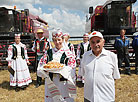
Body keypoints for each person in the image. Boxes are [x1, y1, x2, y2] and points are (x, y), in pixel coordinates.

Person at [37, 29, 76, 102]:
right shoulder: (48, 52)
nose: (57, 42)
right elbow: (42, 65)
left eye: (59, 40)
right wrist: (44, 70)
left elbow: (72, 68)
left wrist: (63, 70)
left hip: (63, 82)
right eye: (55, 40)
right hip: (51, 81)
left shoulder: (68, 53)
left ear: (63, 39)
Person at [81, 31, 120, 102]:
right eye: (93, 42)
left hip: (106, 98)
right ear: (90, 43)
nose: (96, 44)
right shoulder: (85, 56)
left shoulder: (112, 56)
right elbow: (83, 74)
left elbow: (115, 77)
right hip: (89, 97)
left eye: (98, 41)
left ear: (103, 42)